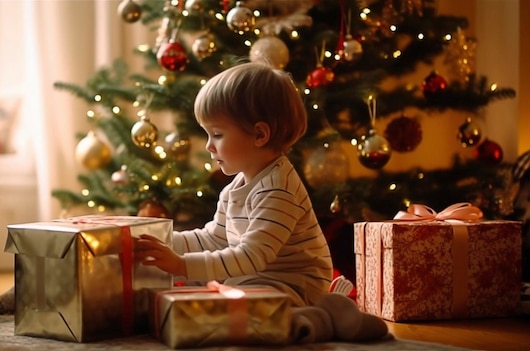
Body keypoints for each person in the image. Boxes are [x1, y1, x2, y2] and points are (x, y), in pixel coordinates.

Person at [134, 62, 389, 343]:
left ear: (259, 134)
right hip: (252, 279)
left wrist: (181, 264)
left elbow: (251, 256)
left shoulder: (278, 190)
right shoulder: (236, 187)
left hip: (292, 286)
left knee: (255, 320)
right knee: (198, 293)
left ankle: (325, 316)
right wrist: (162, 240)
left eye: (217, 134)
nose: (208, 146)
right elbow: (214, 238)